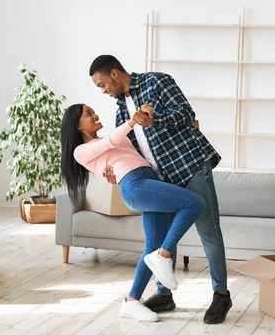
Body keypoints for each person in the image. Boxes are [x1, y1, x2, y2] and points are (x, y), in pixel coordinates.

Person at [89, 54, 232, 325]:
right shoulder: (121, 109)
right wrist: (110, 168)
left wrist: (155, 121)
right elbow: (125, 147)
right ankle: (163, 294)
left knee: (208, 231)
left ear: (115, 74)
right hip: (160, 176)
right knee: (164, 236)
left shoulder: (157, 82)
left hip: (190, 166)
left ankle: (221, 294)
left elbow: (186, 115)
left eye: (102, 84)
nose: (104, 91)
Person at [61, 102, 206, 322]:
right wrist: (131, 121)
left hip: (149, 180)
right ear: (77, 125)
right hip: (135, 185)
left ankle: (131, 301)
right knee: (195, 204)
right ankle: (163, 255)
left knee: (152, 247)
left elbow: (140, 149)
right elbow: (112, 142)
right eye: (89, 114)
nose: (96, 114)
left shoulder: (107, 142)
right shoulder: (80, 151)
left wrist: (188, 131)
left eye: (93, 110)